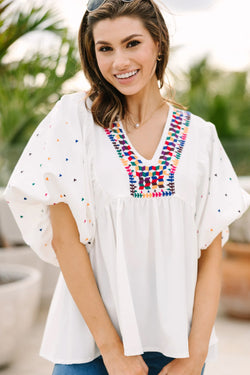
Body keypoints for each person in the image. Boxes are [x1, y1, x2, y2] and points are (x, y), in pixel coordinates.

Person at [4, 0, 250, 374]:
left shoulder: (202, 136)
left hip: (178, 349)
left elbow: (211, 252)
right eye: (105, 48)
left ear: (158, 44)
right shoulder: (74, 121)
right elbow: (65, 242)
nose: (119, 61)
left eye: (132, 43)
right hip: (91, 346)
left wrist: (195, 355)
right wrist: (113, 351)